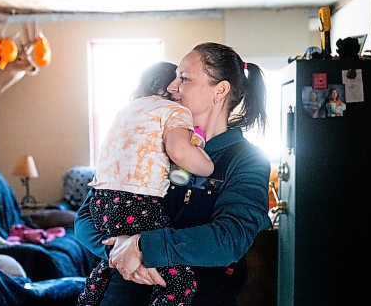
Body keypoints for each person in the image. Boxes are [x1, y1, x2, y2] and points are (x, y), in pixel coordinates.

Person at [75, 42, 272, 306]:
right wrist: (119, 250)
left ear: (220, 90)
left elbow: (230, 238)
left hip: (203, 296)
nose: (171, 87)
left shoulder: (246, 159)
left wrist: (143, 247)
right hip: (122, 291)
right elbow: (86, 215)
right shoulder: (149, 134)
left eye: (185, 79)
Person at [76, 62, 214, 306]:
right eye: (183, 81)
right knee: (181, 283)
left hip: (102, 203)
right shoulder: (174, 111)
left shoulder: (126, 111)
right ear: (172, 85)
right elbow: (180, 150)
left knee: (111, 265)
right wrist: (206, 164)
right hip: (138, 205)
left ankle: (88, 299)